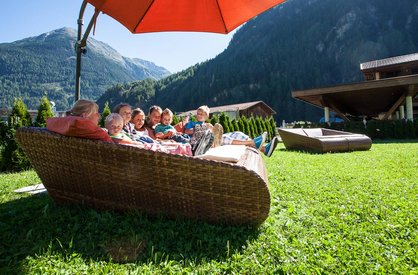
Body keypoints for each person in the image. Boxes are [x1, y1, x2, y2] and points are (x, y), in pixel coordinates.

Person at [186, 105, 279, 157]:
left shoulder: (210, 125)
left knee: (237, 133)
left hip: (213, 138)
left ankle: (264, 149)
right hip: (203, 142)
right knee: (223, 137)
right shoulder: (192, 123)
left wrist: (209, 127)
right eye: (198, 113)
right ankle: (254, 142)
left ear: (207, 116)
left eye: (202, 114)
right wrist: (200, 128)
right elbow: (187, 132)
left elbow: (216, 132)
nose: (199, 115)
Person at [105, 113, 192, 156]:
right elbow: (129, 142)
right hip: (140, 143)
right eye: (113, 126)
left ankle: (185, 146)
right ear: (106, 126)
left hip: (143, 140)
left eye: (119, 126)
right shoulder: (115, 137)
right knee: (161, 145)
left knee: (169, 141)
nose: (116, 128)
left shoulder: (120, 133)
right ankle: (183, 148)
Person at [46, 99, 113, 142]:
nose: (99, 115)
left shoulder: (66, 128)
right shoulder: (99, 135)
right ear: (84, 116)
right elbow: (112, 146)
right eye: (96, 113)